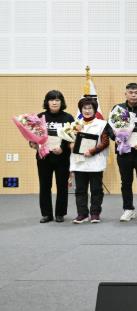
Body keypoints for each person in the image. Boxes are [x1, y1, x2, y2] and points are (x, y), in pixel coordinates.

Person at [107, 82, 137, 222]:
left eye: (136, 93)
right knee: (126, 182)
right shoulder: (118, 109)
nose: (133, 95)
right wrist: (115, 138)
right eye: (131, 92)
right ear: (126, 94)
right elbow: (109, 127)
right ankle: (128, 209)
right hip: (124, 152)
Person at [29, 90, 74, 223]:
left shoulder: (68, 118)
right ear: (47, 102)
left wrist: (62, 148)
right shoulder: (40, 117)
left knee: (62, 186)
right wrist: (33, 143)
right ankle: (46, 214)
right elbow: (34, 136)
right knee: (44, 186)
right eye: (52, 100)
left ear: (61, 102)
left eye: (57, 100)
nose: (54, 102)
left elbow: (72, 137)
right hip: (44, 158)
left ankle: (60, 213)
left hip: (62, 157)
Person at [69, 97, 109, 224]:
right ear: (81, 110)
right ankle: (82, 214)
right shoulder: (74, 124)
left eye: (90, 108)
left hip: (95, 162)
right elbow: (69, 140)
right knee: (80, 190)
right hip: (79, 162)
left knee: (96, 190)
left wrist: (92, 151)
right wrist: (70, 144)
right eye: (84, 108)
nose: (87, 111)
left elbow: (105, 142)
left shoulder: (102, 124)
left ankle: (95, 213)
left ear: (94, 109)